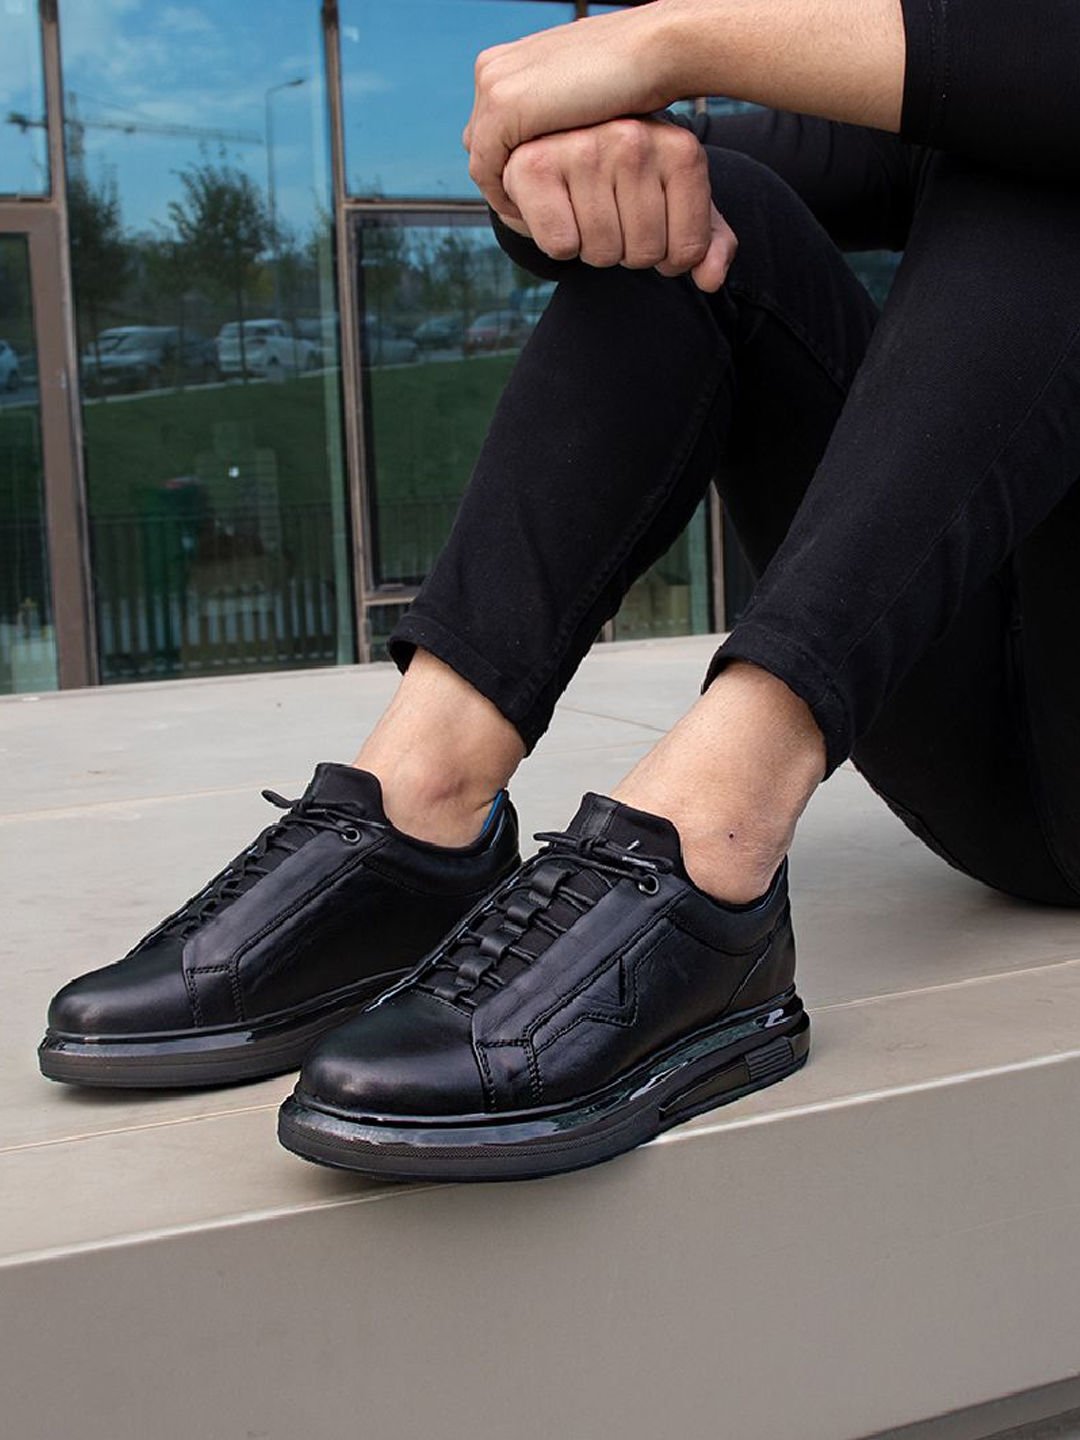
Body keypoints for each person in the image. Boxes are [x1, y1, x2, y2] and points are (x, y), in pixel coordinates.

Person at [39, 0, 1080, 1182]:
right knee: (707, 204)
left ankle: (719, 821)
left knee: (1049, 171)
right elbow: (693, 163)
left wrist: (670, 37)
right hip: (985, 722)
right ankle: (422, 803)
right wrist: (565, 163)